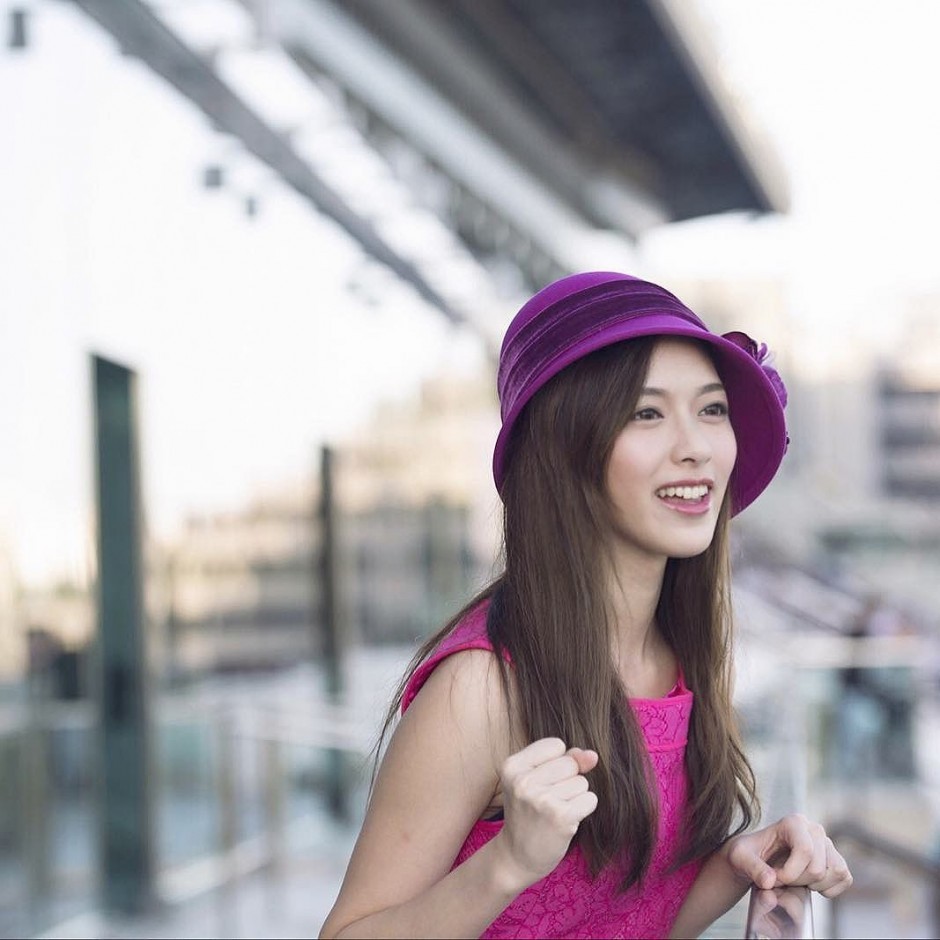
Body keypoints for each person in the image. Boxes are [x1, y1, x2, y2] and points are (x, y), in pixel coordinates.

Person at [319, 271, 853, 939]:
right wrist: (507, 862)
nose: (695, 446)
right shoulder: (483, 687)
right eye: (647, 412)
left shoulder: (677, 656)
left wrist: (742, 864)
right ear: (566, 453)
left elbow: (625, 923)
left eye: (712, 409)